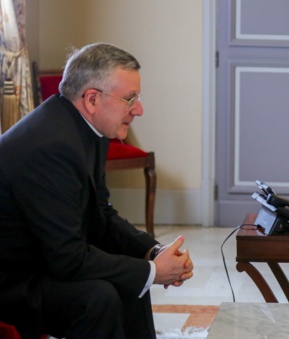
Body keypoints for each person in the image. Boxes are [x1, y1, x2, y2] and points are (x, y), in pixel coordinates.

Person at [0, 43, 194, 338]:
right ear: (92, 99)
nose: (138, 109)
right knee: (99, 297)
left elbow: (100, 215)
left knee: (130, 280)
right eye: (130, 99)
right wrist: (153, 272)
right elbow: (68, 259)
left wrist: (153, 251)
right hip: (13, 282)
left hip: (42, 260)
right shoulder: (51, 145)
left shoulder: (88, 128)